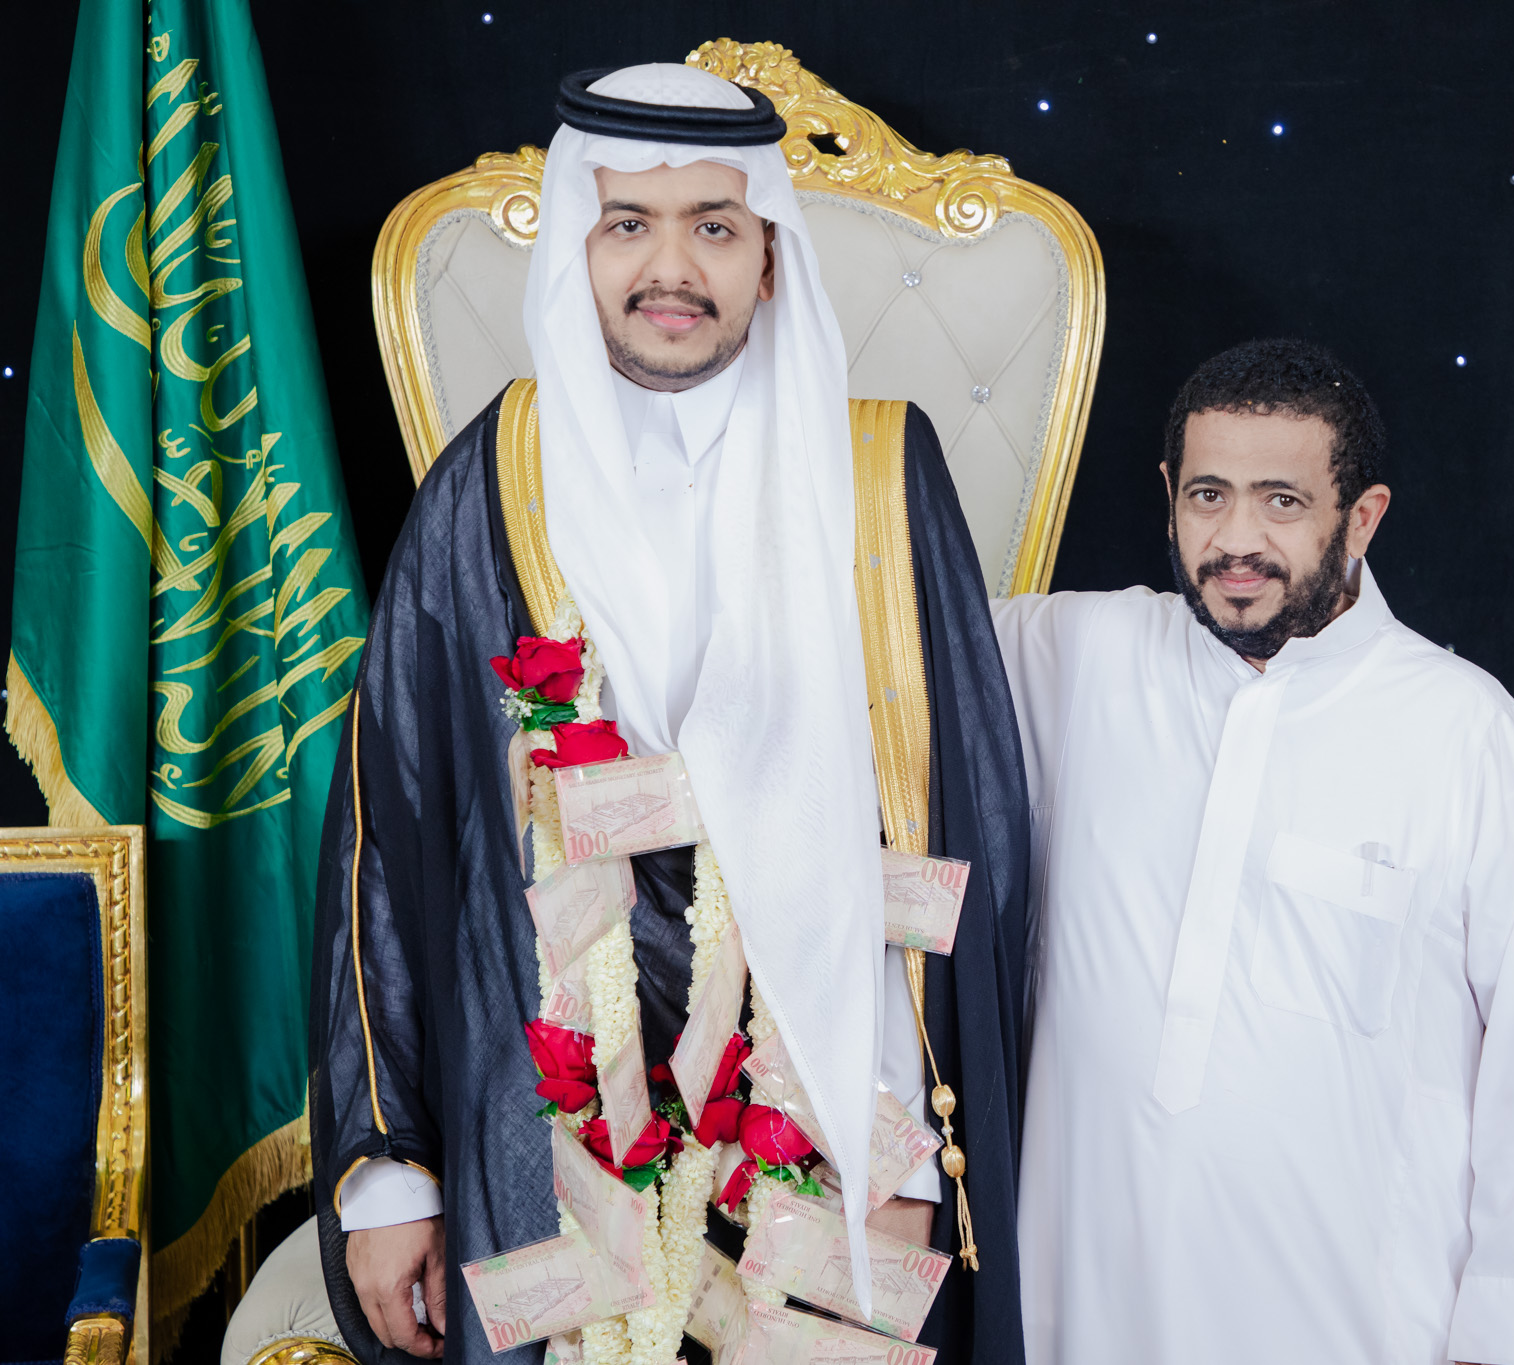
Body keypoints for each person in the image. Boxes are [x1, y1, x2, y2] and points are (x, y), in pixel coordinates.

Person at [311, 64, 1029, 1365]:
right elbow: (389, 827)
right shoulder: (493, 482)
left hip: (837, 1114)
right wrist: (391, 1171)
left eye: (714, 225)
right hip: (546, 1109)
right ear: (576, 249)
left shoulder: (878, 473)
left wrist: (907, 1139)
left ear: (770, 253)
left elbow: (955, 818)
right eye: (628, 224)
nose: (671, 267)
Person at [996, 339, 1514, 1365]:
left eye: (1281, 502)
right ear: (1168, 497)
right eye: (1207, 496)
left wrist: (1509, 1347)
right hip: (1083, 1311)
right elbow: (866, 633)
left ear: (1361, 518)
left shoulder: (1464, 731)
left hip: (1357, 1327)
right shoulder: (1071, 656)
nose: (1236, 541)